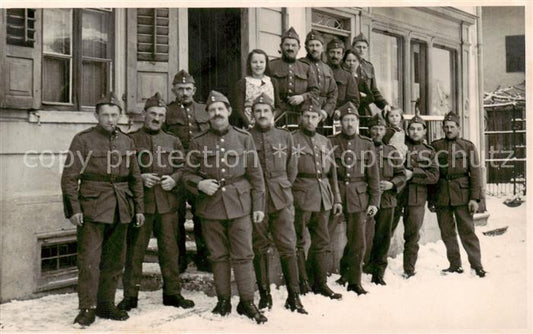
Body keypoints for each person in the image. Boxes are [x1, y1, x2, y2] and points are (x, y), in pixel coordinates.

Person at [182, 91, 267, 324]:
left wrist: (259, 205)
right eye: (212, 110)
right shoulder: (198, 142)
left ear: (229, 111)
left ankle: (247, 302)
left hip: (240, 204)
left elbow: (256, 174)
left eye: (221, 109)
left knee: (244, 255)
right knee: (218, 256)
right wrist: (199, 183)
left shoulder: (244, 138)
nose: (217, 113)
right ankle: (223, 301)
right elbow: (186, 174)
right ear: (207, 115)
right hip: (210, 206)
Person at [61, 93, 145, 327]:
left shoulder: (127, 142)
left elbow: (135, 178)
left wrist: (139, 208)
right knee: (89, 260)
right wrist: (73, 209)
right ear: (96, 116)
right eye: (106, 115)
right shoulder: (83, 140)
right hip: (92, 207)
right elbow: (69, 178)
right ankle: (87, 307)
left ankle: (106, 303)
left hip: (121, 206)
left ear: (120, 116)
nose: (110, 119)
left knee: (115, 261)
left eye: (114, 115)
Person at [118, 93, 195, 312]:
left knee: (170, 251)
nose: (157, 118)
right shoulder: (131, 139)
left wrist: (174, 178)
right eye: (153, 114)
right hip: (141, 206)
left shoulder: (173, 140)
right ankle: (130, 296)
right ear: (144, 114)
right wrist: (140, 178)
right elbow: (122, 168)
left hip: (168, 204)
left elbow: (183, 167)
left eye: (161, 115)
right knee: (135, 252)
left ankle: (172, 293)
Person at [248, 93, 307, 314]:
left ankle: (294, 297)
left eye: (266, 111)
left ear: (273, 114)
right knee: (259, 245)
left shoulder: (285, 136)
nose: (262, 115)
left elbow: (292, 167)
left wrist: (282, 186)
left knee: (288, 247)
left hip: (281, 199)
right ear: (252, 115)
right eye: (258, 111)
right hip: (257, 201)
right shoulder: (246, 137)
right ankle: (265, 296)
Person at [292, 101, 343, 299]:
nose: (310, 120)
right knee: (298, 241)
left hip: (323, 197)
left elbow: (332, 174)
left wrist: (336, 198)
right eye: (306, 116)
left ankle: (320, 283)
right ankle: (302, 281)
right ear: (300, 118)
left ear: (320, 119)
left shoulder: (325, 141)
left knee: (322, 242)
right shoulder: (291, 139)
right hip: (300, 197)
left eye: (314, 117)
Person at [329, 102, 380, 295]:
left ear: (358, 122)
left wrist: (375, 201)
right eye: (346, 120)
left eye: (353, 120)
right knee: (324, 238)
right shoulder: (331, 142)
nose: (349, 123)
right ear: (341, 122)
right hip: (336, 195)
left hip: (359, 198)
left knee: (358, 241)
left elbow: (373, 176)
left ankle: (354, 281)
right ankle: (315, 279)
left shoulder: (367, 144)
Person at [430, 111, 486, 277]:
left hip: (462, 194)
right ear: (442, 128)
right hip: (442, 195)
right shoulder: (436, 146)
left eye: (452, 127)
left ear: (458, 128)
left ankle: (477, 265)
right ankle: (455, 264)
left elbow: (475, 174)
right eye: (446, 127)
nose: (449, 129)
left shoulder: (468, 146)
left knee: (467, 232)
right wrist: (432, 199)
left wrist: (475, 198)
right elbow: (433, 174)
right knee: (447, 232)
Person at [165, 70, 210, 273]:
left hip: (198, 170)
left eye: (188, 89)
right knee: (176, 217)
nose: (184, 92)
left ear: (194, 90)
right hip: (175, 169)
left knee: (202, 214)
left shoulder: (204, 110)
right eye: (180, 89)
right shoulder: (166, 112)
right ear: (174, 90)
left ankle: (205, 257)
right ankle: (178, 260)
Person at [325, 37, 360, 273]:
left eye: (339, 52)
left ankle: (352, 274)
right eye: (333, 52)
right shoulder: (321, 70)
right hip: (323, 125)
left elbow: (355, 100)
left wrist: (340, 112)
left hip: (337, 122)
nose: (336, 55)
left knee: (357, 236)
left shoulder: (347, 76)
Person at [364, 114, 407, 285]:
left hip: (387, 200)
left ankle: (378, 272)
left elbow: (402, 175)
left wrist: (391, 184)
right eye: (374, 129)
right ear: (369, 130)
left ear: (385, 132)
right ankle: (357, 267)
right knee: (362, 236)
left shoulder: (391, 152)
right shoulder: (363, 149)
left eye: (381, 129)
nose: (377, 132)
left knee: (383, 237)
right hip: (366, 199)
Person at [399, 114, 439, 278]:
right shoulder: (399, 146)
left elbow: (434, 176)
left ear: (424, 131)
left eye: (418, 129)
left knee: (412, 235)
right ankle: (375, 268)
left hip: (416, 198)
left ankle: (409, 269)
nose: (415, 132)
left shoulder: (429, 152)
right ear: (407, 131)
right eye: (412, 129)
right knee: (384, 232)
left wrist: (413, 174)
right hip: (396, 195)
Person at [270, 27, 319, 128]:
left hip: (300, 115)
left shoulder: (306, 67)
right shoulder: (271, 66)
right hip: (278, 115)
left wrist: (302, 97)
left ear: (299, 48)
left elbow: (315, 91)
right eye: (287, 45)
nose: (290, 48)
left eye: (293, 45)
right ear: (281, 46)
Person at [348, 34, 392, 135]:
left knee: (366, 135)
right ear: (352, 48)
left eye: (364, 47)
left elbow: (374, 90)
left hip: (364, 108)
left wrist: (384, 104)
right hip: (350, 107)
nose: (361, 50)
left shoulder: (369, 67)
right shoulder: (347, 63)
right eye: (358, 47)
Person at [299, 30, 338, 135]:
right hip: (307, 114)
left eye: (317, 45)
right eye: (311, 45)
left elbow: (333, 93)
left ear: (322, 47)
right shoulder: (300, 64)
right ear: (306, 47)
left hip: (323, 115)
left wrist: (326, 111)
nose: (314, 48)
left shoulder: (327, 68)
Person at [233, 49, 281, 128]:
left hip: (269, 124)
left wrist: (272, 119)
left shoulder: (273, 81)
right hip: (249, 126)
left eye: (261, 62)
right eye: (254, 62)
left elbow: (279, 106)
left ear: (266, 64)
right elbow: (239, 109)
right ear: (249, 64)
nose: (258, 65)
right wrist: (248, 124)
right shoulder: (242, 83)